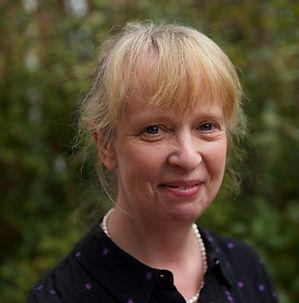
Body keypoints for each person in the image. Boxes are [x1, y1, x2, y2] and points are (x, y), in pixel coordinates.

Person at [28, 22, 278, 303]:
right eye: (154, 129)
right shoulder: (61, 297)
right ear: (107, 146)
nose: (188, 157)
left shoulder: (246, 269)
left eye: (206, 126)